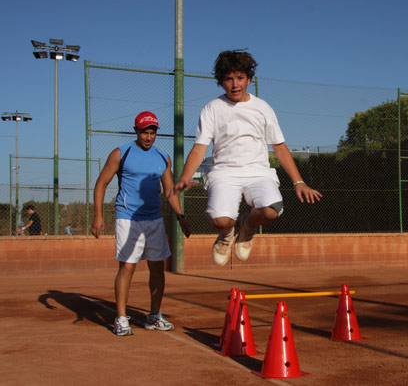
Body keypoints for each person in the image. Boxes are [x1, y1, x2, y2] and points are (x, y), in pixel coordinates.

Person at [171, 50, 322, 266]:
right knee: (221, 220)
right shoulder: (212, 109)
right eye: (228, 79)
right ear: (221, 82)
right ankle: (226, 234)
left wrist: (299, 182)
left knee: (272, 210)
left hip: (258, 172)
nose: (235, 84)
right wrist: (185, 177)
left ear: (249, 79)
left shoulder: (263, 108)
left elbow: (279, 147)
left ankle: (246, 227)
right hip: (224, 172)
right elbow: (199, 148)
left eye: (240, 78)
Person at [91, 111, 191, 337]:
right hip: (128, 218)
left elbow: (169, 190)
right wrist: (98, 215)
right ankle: (121, 319)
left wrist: (180, 216)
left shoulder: (162, 157)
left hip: (154, 219)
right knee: (127, 267)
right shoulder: (120, 153)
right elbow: (101, 183)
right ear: (136, 131)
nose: (148, 137)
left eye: (152, 132)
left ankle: (154, 316)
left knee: (157, 267)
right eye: (144, 132)